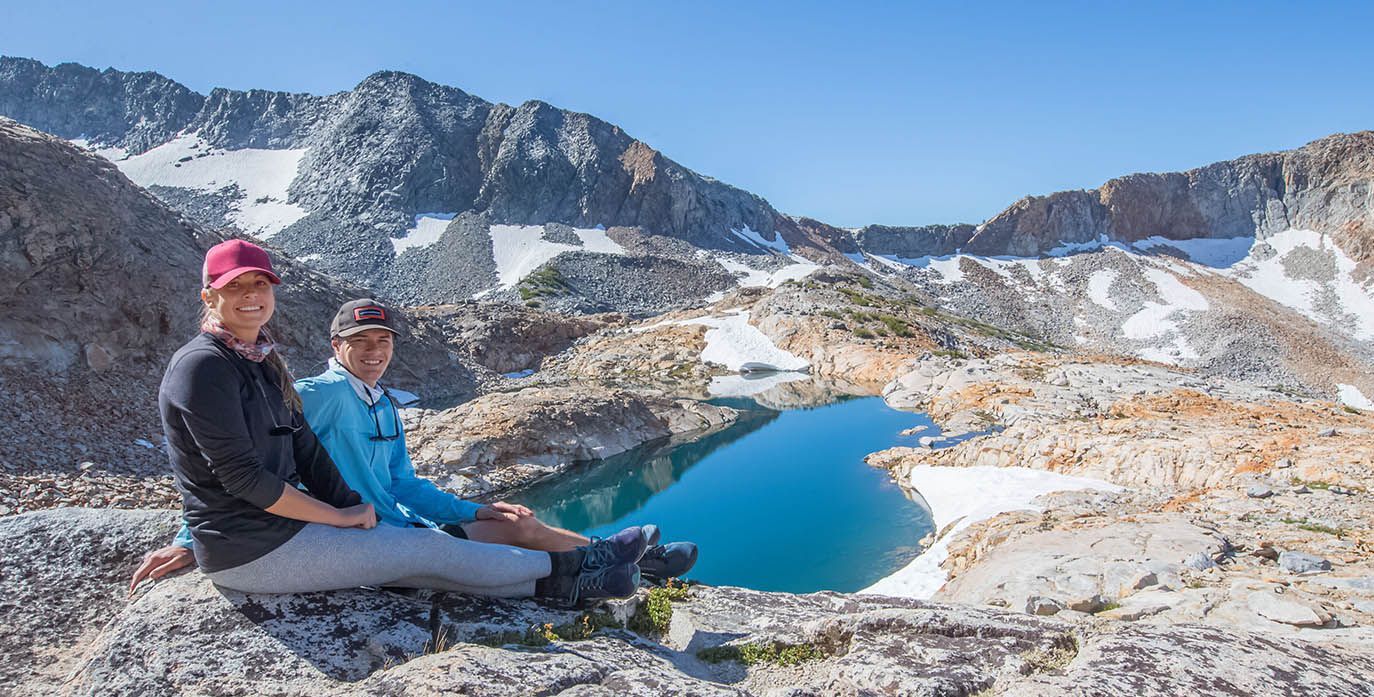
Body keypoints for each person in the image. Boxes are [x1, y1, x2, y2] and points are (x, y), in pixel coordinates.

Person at [140, 238, 646, 603]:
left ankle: (576, 584)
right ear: (209, 295)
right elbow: (234, 474)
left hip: (283, 532)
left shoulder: (263, 362)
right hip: (251, 547)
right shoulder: (202, 365)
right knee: (424, 550)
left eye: (261, 283)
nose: (252, 295)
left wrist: (351, 506)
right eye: (236, 287)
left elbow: (308, 455)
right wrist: (192, 539)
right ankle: (580, 565)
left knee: (428, 559)